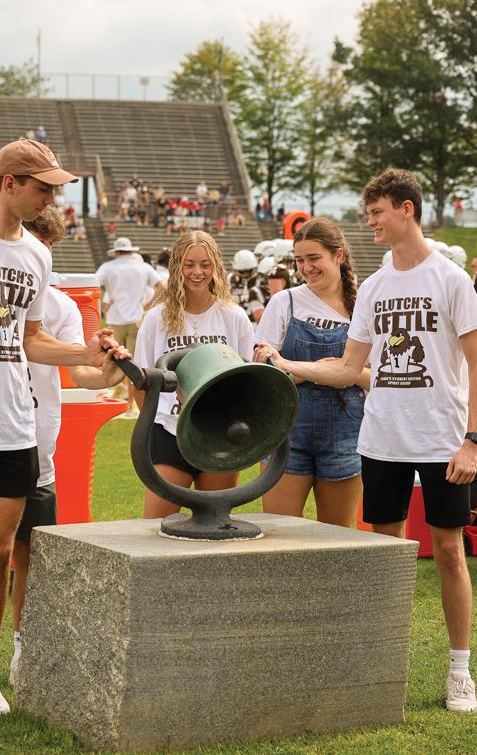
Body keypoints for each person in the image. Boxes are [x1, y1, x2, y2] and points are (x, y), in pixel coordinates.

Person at [256, 169, 477, 714]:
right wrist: (287, 366)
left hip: (441, 439)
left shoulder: (452, 281)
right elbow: (350, 368)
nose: (370, 223)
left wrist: (471, 441)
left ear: (406, 209)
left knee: (449, 552)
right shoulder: (375, 289)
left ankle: (459, 669)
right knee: (386, 554)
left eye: (376, 213)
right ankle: (381, 663)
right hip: (379, 443)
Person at [0, 138, 126, 715]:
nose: (53, 198)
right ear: (9, 182)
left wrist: (87, 356)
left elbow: (30, 339)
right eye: (43, 186)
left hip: (13, 425)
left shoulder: (37, 257)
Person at [254, 217, 369, 527]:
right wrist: (326, 369)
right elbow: (261, 371)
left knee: (337, 542)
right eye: (299, 260)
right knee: (278, 538)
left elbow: (378, 378)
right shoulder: (285, 302)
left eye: (313, 258)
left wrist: (332, 371)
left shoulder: (364, 306)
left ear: (339, 255)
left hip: (346, 434)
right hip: (287, 431)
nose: (306, 268)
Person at [134, 231, 254, 518]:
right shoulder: (156, 319)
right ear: (176, 267)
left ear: (216, 267)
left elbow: (249, 380)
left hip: (219, 434)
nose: (197, 272)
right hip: (169, 431)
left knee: (214, 528)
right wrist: (154, 423)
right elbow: (140, 382)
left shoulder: (233, 316)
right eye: (189, 264)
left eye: (205, 264)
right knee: (155, 528)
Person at [96, 236, 164, 419]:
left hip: (115, 321)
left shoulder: (107, 267)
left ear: (116, 252)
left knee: (113, 362)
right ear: (131, 251)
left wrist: (103, 306)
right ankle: (130, 406)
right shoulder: (143, 267)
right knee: (134, 365)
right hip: (136, 320)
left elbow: (95, 286)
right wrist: (147, 307)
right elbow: (162, 287)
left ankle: (114, 403)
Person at [227, 249, 265, 325]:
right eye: (242, 272)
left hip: (253, 322)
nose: (246, 274)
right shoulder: (231, 278)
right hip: (234, 321)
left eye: (249, 271)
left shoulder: (260, 280)